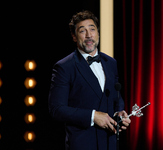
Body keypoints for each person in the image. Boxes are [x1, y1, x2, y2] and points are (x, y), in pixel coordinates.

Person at [48, 10, 131, 150]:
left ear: (98, 33)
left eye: (92, 29)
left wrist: (119, 113)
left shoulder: (111, 62)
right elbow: (56, 109)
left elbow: (116, 98)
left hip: (110, 143)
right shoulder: (64, 67)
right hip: (82, 144)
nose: (89, 35)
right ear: (74, 37)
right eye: (82, 31)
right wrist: (93, 116)